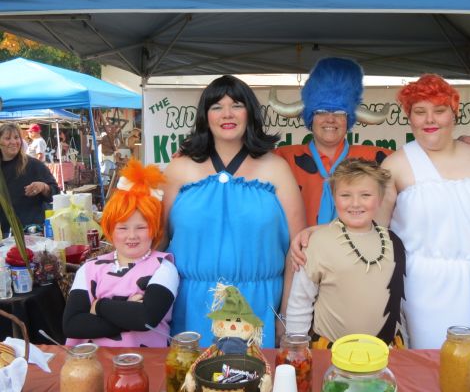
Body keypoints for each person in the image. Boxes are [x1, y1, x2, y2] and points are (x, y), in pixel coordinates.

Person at [161, 75, 305, 348]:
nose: (227, 114)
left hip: (260, 307)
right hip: (191, 308)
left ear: (250, 112)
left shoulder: (276, 168)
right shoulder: (179, 170)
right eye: (216, 106)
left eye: (236, 104)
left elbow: (296, 253)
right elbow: (159, 241)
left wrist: (285, 316)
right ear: (205, 116)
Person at [378, 74, 470, 349]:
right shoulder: (395, 165)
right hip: (423, 290)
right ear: (410, 117)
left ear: (454, 113)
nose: (430, 120)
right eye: (420, 112)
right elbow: (374, 233)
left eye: (439, 110)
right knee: (430, 370)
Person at [270, 57, 470, 229]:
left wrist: (457, 143)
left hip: (358, 263)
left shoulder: (377, 158)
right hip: (298, 259)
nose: (330, 119)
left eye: (339, 112)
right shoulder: (281, 159)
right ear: (310, 118)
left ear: (350, 119)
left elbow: (426, 157)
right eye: (321, 112)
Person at [285, 158, 407, 349]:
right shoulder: (316, 243)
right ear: (334, 198)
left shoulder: (394, 243)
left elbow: (400, 303)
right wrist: (296, 347)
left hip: (385, 352)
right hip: (330, 352)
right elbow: (300, 301)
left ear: (381, 199)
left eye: (366, 195)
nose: (355, 203)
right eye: (345, 195)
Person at [63, 159, 179, 347]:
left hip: (147, 366)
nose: (131, 236)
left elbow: (146, 319)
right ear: (110, 229)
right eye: (123, 228)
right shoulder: (89, 268)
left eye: (141, 227)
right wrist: (126, 312)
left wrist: (99, 306)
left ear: (154, 229)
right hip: (92, 368)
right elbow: (72, 325)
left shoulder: (164, 268)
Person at [0, 123, 59, 237]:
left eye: (16, 137)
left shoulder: (33, 164)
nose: (13, 142)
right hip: (6, 233)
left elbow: (56, 192)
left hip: (34, 231)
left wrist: (43, 187)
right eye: (8, 138)